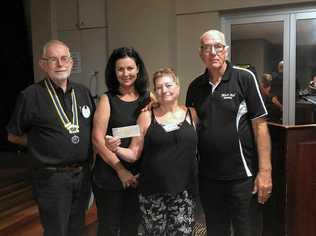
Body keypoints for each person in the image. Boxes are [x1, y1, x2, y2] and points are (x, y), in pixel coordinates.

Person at [186, 29, 272, 236]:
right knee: (216, 231)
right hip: (208, 178)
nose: (213, 52)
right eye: (207, 48)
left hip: (242, 178)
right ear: (201, 54)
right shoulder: (195, 87)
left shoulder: (244, 78)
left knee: (246, 231)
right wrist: (154, 106)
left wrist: (265, 172)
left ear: (226, 50)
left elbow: (260, 127)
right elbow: (187, 125)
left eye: (218, 47)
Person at [6, 40, 95, 236]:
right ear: (43, 64)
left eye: (64, 59)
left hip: (82, 175)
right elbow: (13, 135)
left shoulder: (82, 93)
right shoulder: (30, 95)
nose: (60, 64)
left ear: (71, 62)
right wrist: (38, 143)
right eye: (53, 59)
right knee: (56, 230)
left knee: (77, 228)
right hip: (52, 178)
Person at [106, 67, 199, 235]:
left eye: (169, 85)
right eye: (159, 87)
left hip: (184, 191)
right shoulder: (146, 116)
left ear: (178, 87)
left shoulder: (192, 114)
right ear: (154, 92)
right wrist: (116, 148)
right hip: (153, 193)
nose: (164, 90)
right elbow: (134, 154)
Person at [92, 47, 151, 236]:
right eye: (120, 69)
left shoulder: (149, 99)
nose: (126, 74)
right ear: (114, 72)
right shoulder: (107, 99)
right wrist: (121, 171)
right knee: (108, 228)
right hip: (110, 174)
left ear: (138, 69)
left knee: (131, 228)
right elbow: (97, 139)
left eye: (130, 68)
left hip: (138, 176)